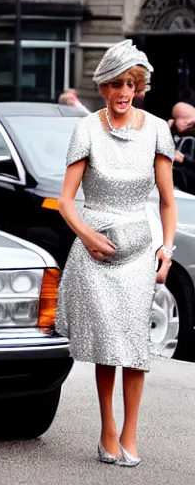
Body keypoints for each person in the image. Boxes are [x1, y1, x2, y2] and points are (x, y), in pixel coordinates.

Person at [55, 40, 177, 467]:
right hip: (97, 255)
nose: (124, 91)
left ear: (139, 85)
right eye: (116, 84)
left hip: (139, 254)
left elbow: (166, 201)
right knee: (109, 345)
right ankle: (108, 427)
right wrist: (87, 235)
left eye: (131, 83)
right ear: (104, 87)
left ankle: (131, 432)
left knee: (135, 345)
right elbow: (66, 201)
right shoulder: (86, 129)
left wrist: (167, 248)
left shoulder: (158, 129)